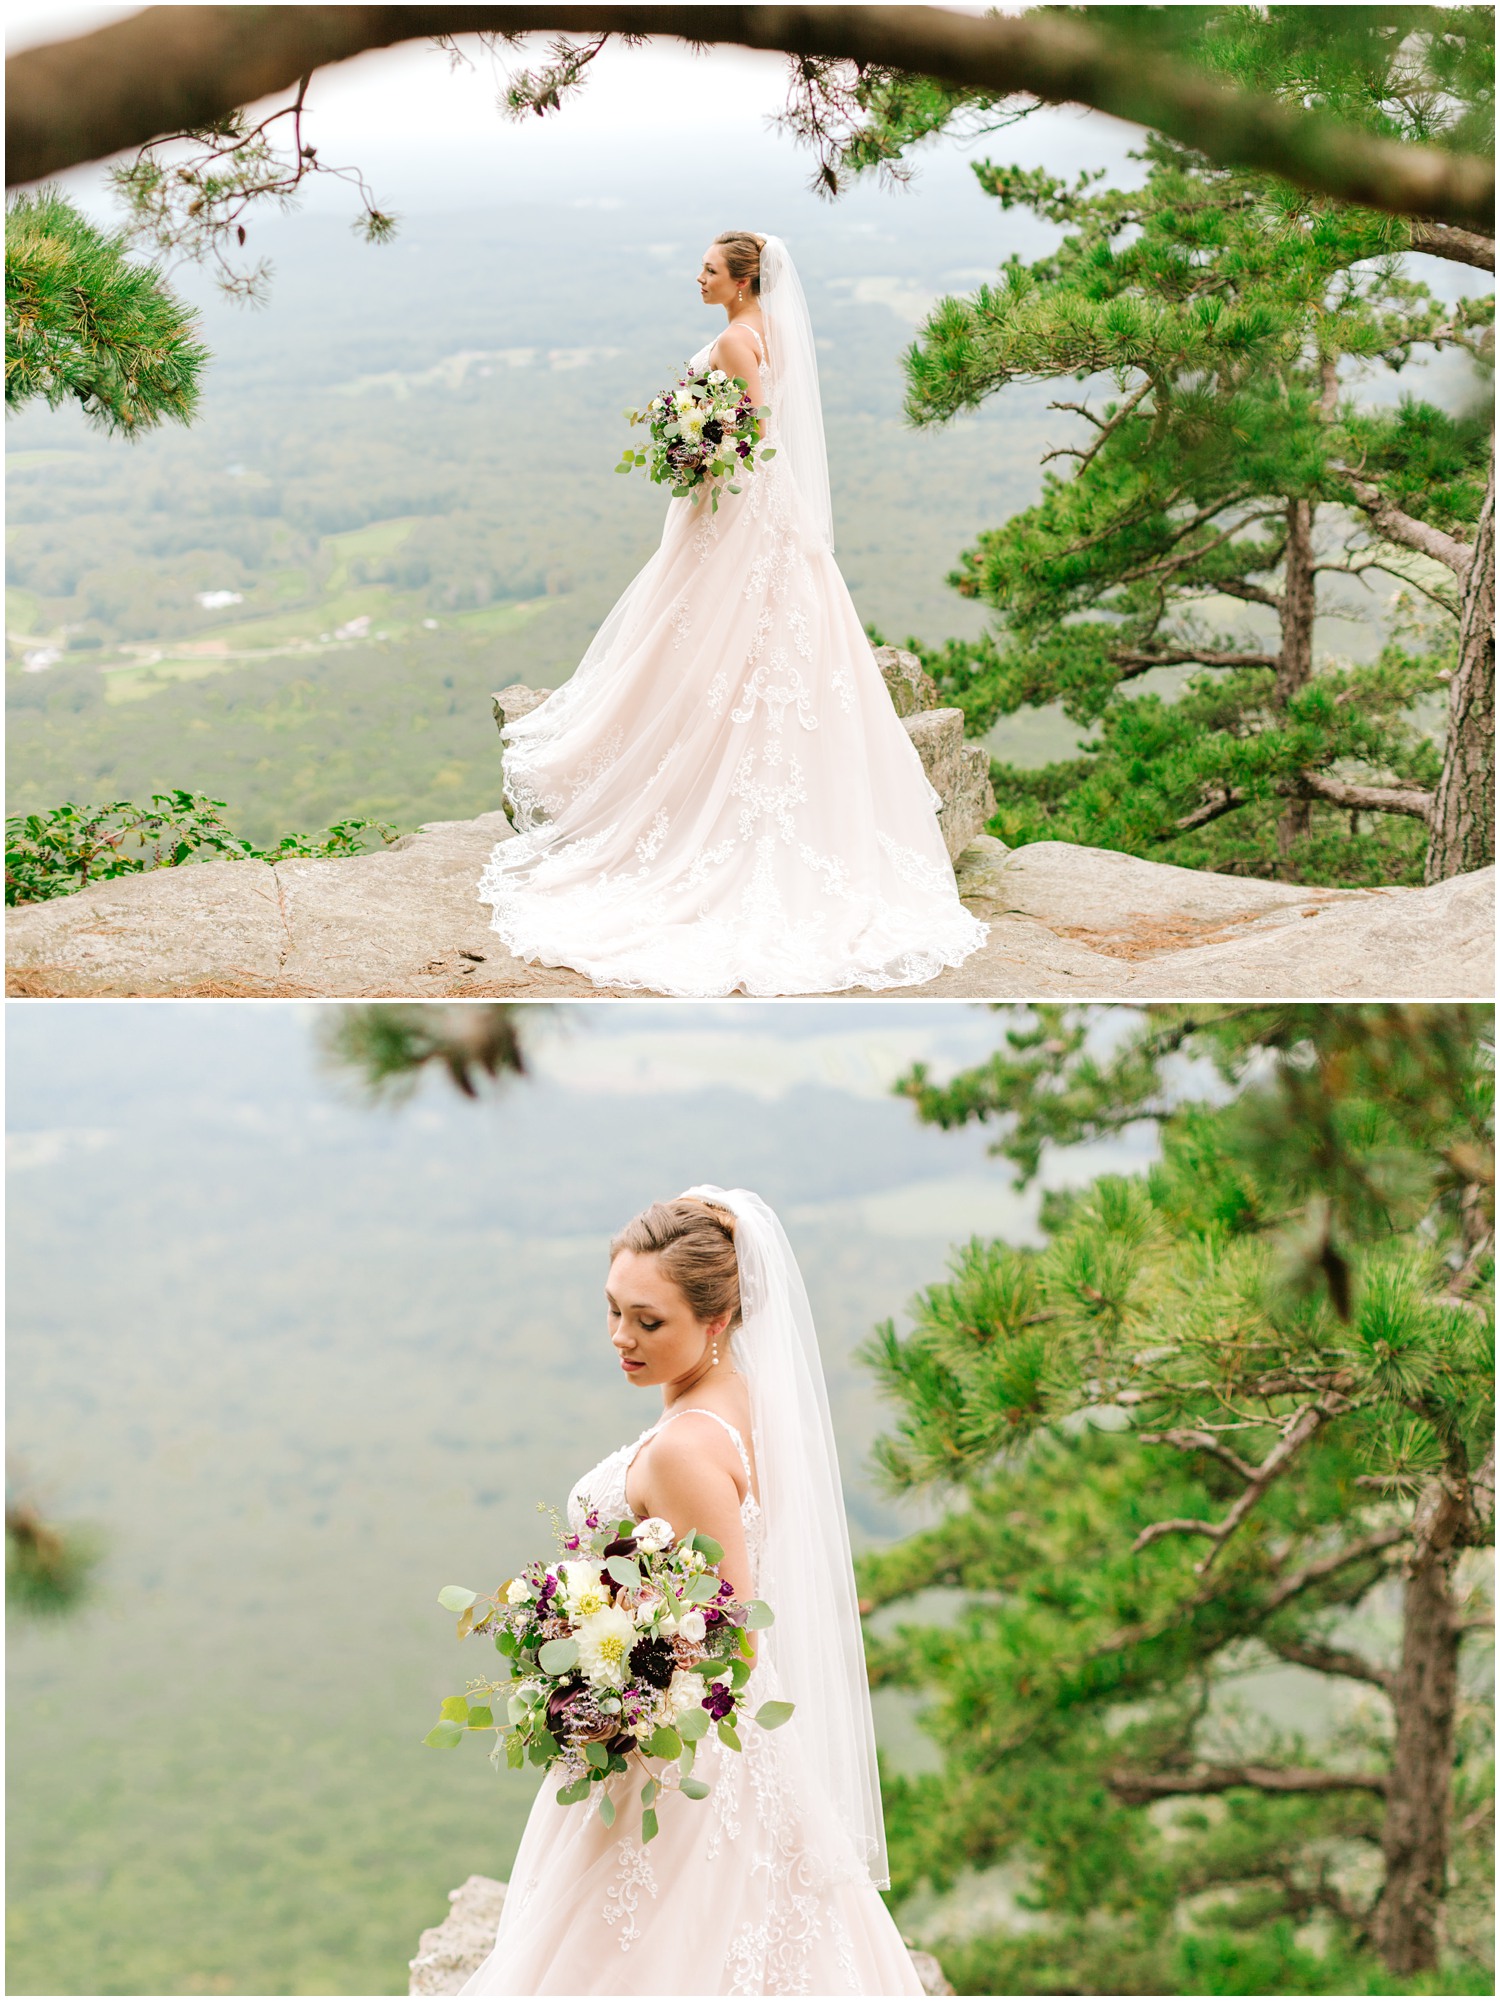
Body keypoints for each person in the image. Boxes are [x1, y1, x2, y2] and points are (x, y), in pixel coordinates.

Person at [477, 232, 988, 996]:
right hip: (755, 507)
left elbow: (745, 434)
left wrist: (692, 443)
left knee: (722, 635)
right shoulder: (768, 328)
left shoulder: (737, 339)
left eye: (710, 270)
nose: (699, 277)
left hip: (740, 508)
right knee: (731, 635)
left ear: (744, 281)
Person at [459, 1188, 926, 1995]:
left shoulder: (682, 1450)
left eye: (649, 1321)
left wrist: (602, 1684)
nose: (621, 1338)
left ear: (716, 1320)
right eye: (613, 1310)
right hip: (723, 1738)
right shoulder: (744, 1401)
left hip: (674, 1762)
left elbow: (728, 1634)